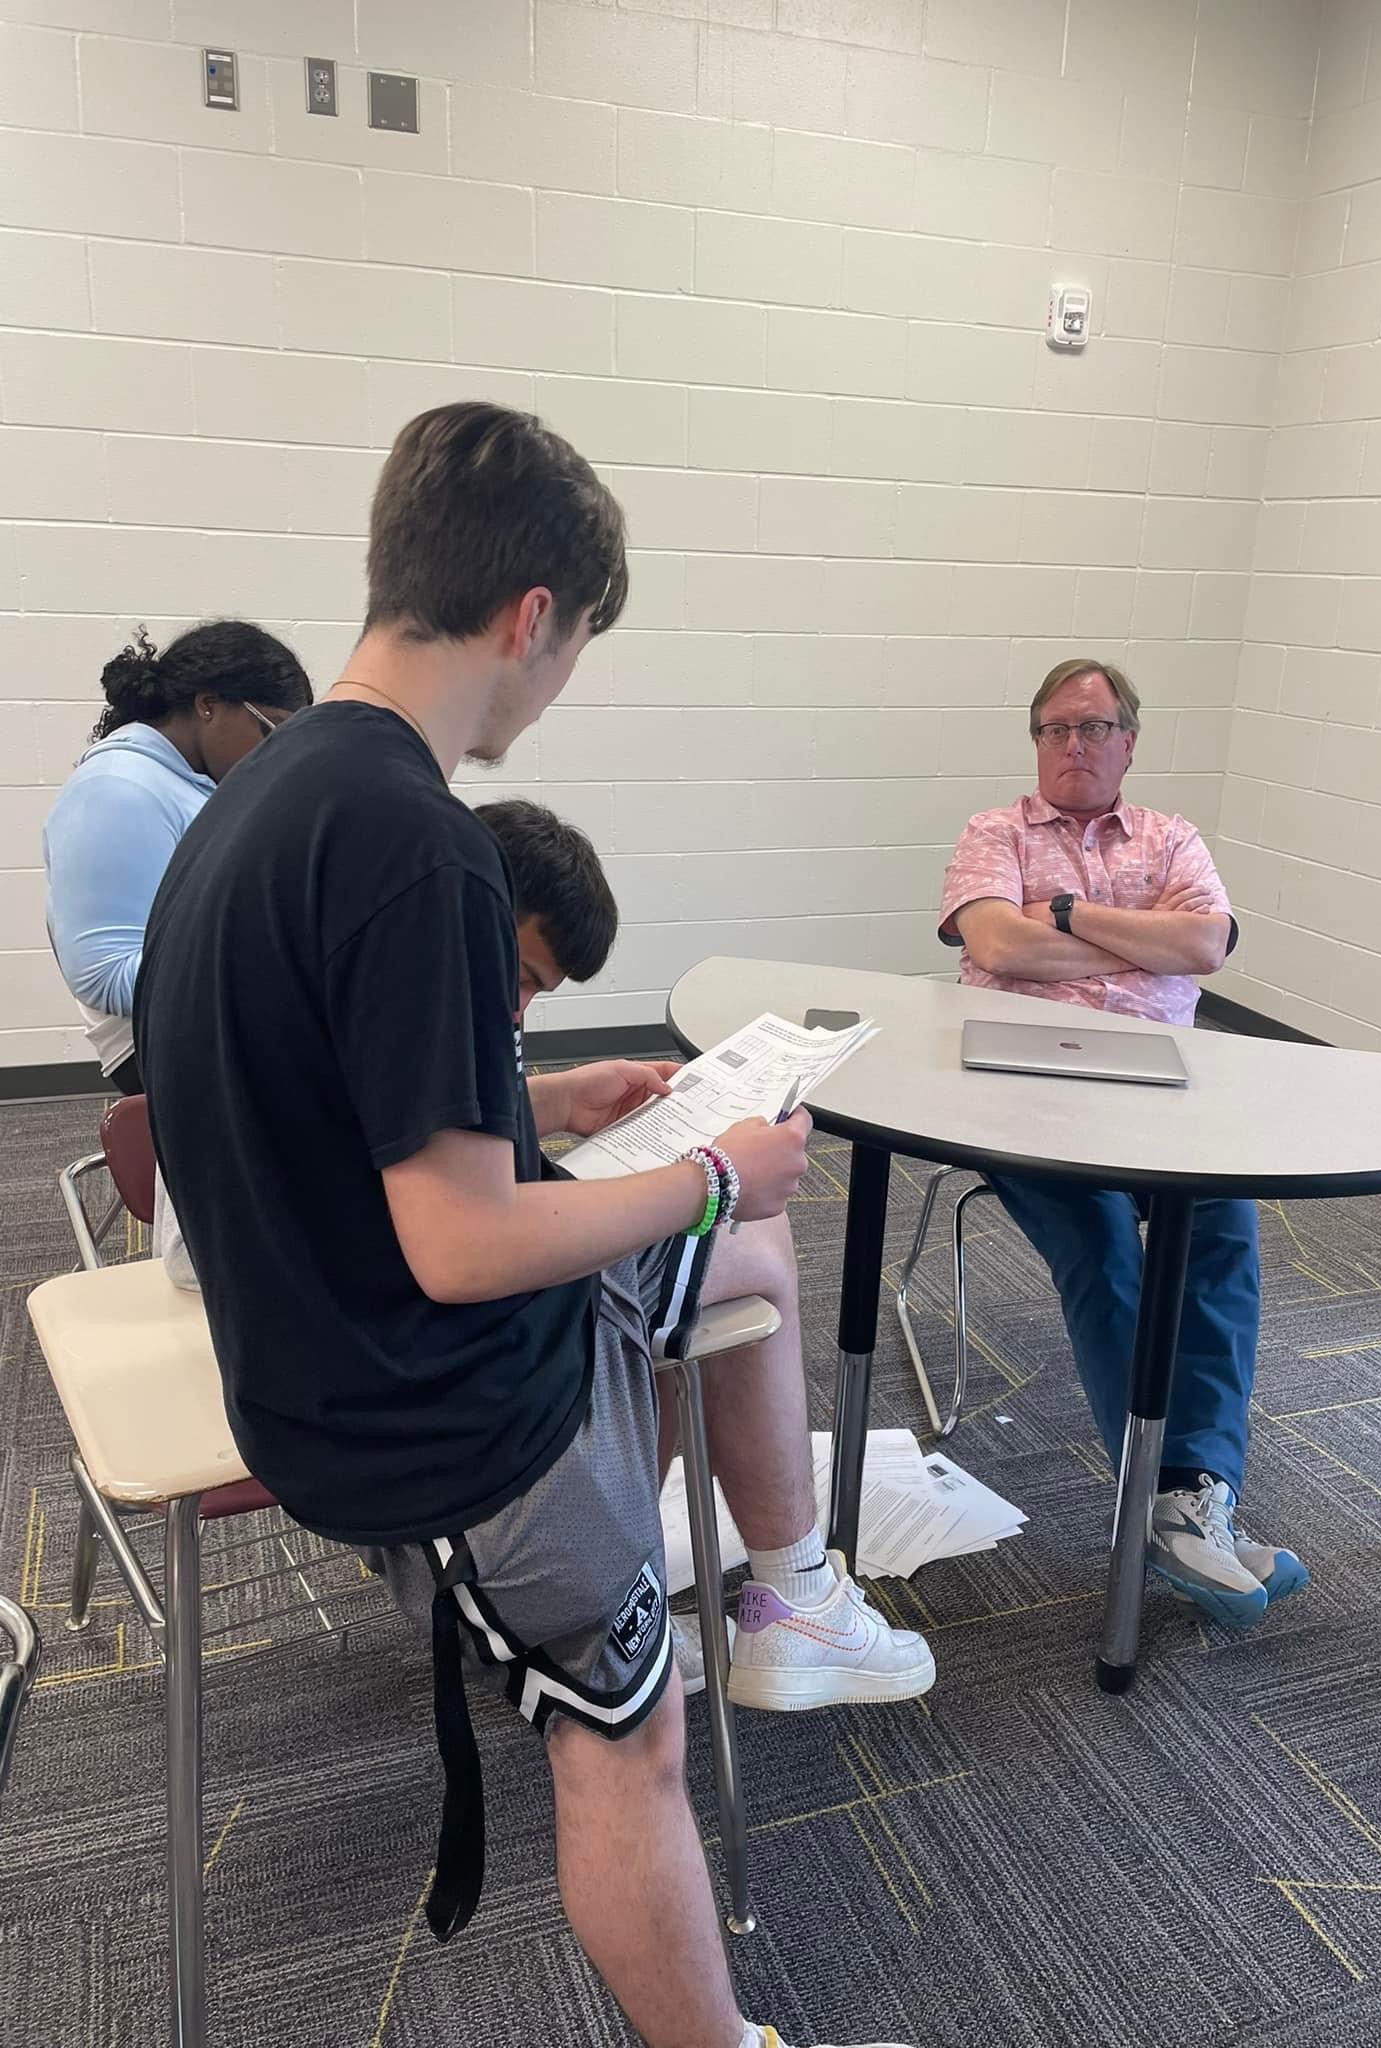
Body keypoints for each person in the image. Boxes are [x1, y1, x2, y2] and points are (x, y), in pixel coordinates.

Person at [136, 402, 929, 2048]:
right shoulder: (421, 840)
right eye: (575, 653)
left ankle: (775, 1592)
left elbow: (326, 1112)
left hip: (301, 1353)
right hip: (432, 1400)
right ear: (531, 618)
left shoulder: (261, 792)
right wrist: (714, 1170)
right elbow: (460, 1248)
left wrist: (548, 1104)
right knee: (627, 1744)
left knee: (742, 1263)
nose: (558, 689)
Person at [938, 655, 1307, 1631]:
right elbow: (998, 948)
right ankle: (1171, 1502)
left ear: (1129, 742)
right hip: (1021, 1095)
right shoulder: (995, 831)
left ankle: (1190, 1497)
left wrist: (1061, 912)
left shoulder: (1172, 837)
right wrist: (1136, 933)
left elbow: (1206, 947)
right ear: (1036, 742)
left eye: (1093, 728)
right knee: (1103, 1243)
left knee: (1223, 1221)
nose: (1073, 745)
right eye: (1056, 728)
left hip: (1159, 1093)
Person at [41, 621, 313, 1092]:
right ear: (208, 705)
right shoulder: (116, 789)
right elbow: (106, 977)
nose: (277, 756)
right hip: (161, 1049)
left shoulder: (190, 782)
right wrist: (273, 962)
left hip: (207, 1026)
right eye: (270, 731)